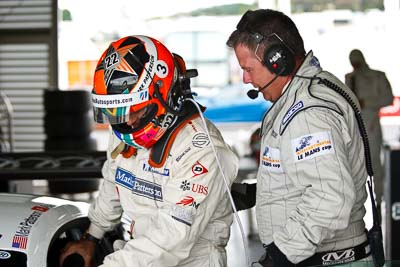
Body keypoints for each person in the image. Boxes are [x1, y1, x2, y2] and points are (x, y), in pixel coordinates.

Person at [59, 35, 239, 267]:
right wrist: (91, 236)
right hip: (136, 255)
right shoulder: (124, 130)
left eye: (136, 110)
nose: (128, 121)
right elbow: (113, 182)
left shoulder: (202, 149)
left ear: (163, 95)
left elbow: (170, 238)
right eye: (117, 112)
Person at [227, 9, 376, 266]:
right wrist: (258, 193)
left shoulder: (308, 113)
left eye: (248, 69)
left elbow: (329, 199)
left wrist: (279, 257)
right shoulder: (313, 88)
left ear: (277, 60)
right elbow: (312, 177)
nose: (245, 79)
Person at [345, 49, 394, 210]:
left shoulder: (377, 76)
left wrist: (367, 102)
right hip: (354, 127)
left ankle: (379, 200)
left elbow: (388, 98)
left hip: (371, 125)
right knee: (354, 164)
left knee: (374, 164)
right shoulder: (350, 78)